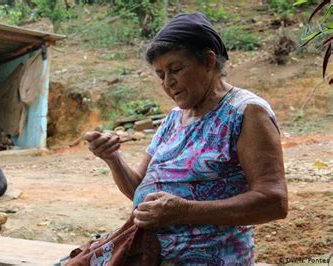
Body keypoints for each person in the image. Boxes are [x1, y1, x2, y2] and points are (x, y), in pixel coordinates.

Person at [84, 12, 288, 264]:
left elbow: (274, 202)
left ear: (208, 61)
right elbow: (140, 190)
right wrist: (112, 158)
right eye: (160, 75)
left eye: (176, 69)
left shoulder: (246, 112)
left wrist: (184, 211)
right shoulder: (173, 119)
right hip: (151, 254)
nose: (168, 82)